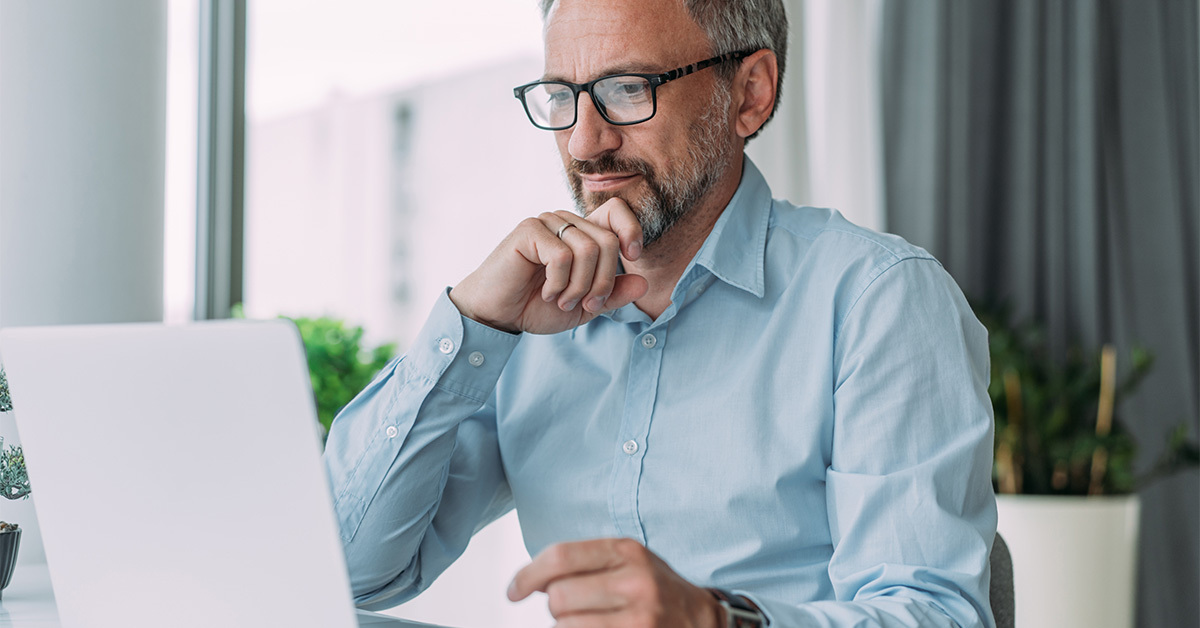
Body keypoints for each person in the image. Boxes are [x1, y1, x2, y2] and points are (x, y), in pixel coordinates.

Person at [323, 0, 998, 626]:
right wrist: (473, 322)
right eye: (562, 96)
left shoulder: (877, 301)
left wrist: (716, 620)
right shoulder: (525, 318)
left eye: (627, 89)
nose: (584, 142)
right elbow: (349, 574)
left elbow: (934, 613)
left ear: (750, 93)